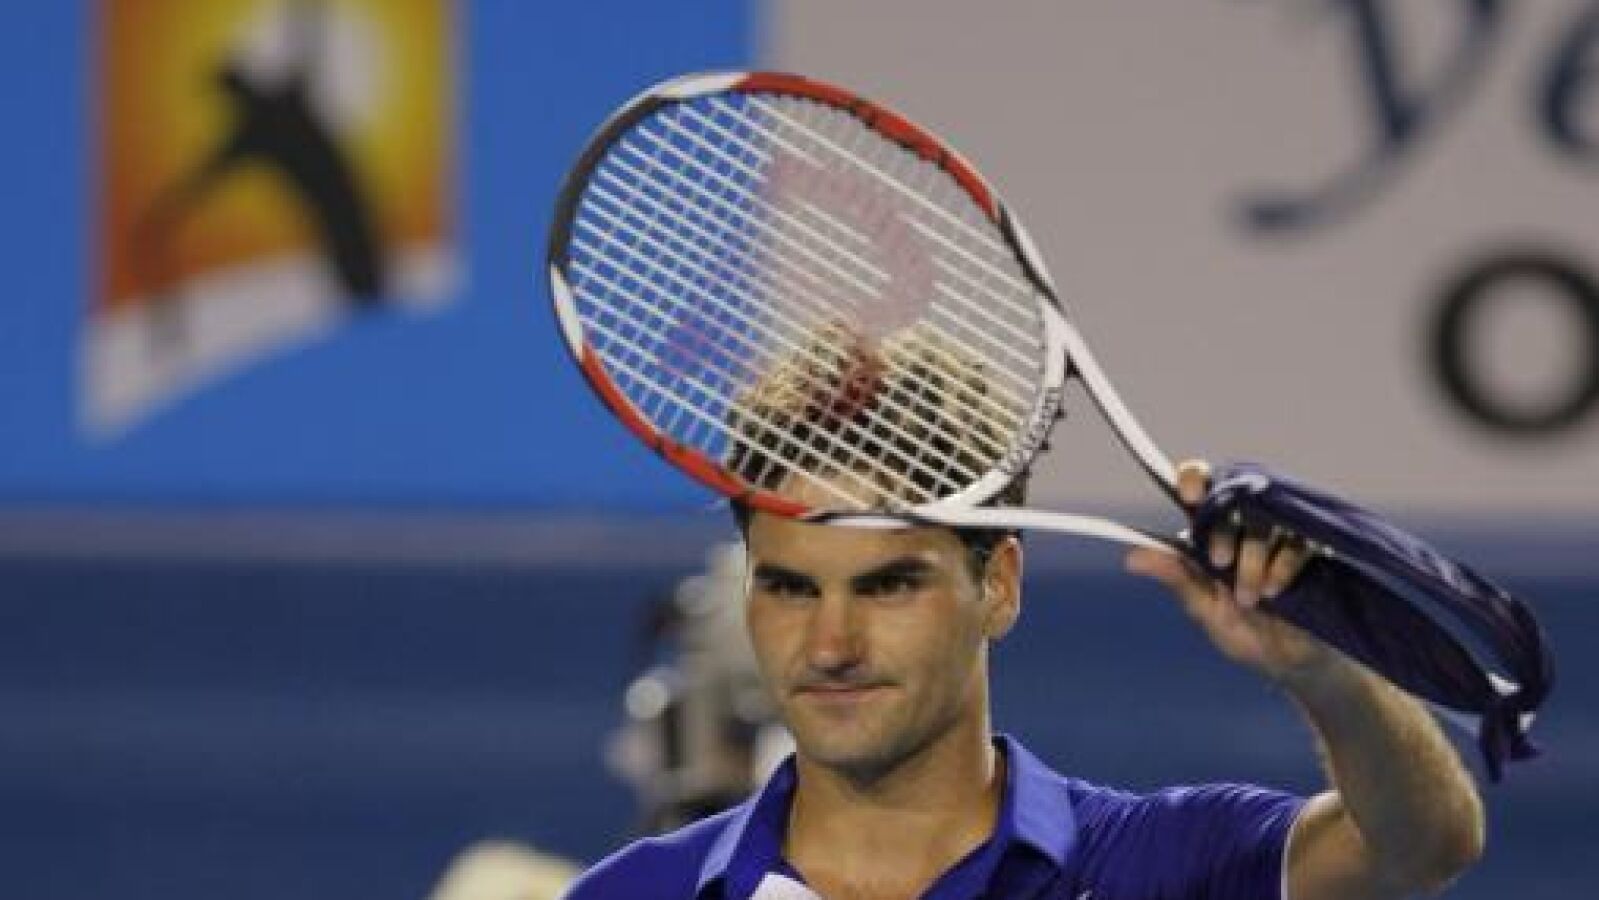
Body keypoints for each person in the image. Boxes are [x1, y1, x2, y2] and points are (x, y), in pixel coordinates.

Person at [562, 328, 1485, 899]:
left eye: (888, 585)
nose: (830, 645)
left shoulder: (1160, 868)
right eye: (791, 587)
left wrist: (1324, 670)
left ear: (997, 584)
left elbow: (1419, 849)